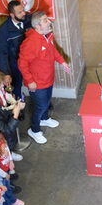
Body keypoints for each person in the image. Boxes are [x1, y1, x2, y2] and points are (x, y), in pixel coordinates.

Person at [19, 13, 71, 145]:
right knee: (40, 106)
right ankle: (35, 130)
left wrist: (62, 62)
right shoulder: (31, 42)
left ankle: (44, 118)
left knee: (46, 102)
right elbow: (22, 64)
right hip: (37, 83)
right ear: (37, 26)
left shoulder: (47, 36)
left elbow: (53, 51)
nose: (49, 22)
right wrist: (30, 81)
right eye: (45, 20)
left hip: (48, 79)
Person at [0, 0, 31, 97]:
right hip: (15, 64)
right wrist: (6, 73)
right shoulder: (3, 30)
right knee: (16, 87)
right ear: (12, 15)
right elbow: (1, 53)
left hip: (31, 61)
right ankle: (19, 109)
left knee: (36, 84)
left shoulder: (29, 20)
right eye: (20, 12)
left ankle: (43, 104)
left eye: (23, 10)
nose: (24, 13)